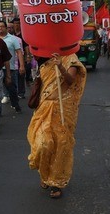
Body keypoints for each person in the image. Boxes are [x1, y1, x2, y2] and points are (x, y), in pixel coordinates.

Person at [27, 52, 86, 199]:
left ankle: (56, 183)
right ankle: (44, 173)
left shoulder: (71, 58)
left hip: (63, 110)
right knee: (43, 144)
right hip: (44, 107)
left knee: (60, 146)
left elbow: (71, 80)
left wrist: (60, 66)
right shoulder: (44, 57)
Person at [0, 20, 24, 113]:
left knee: (12, 88)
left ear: (6, 28)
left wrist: (22, 66)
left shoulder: (13, 39)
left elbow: (19, 52)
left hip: (10, 68)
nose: (0, 28)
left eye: (2, 26)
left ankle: (15, 104)